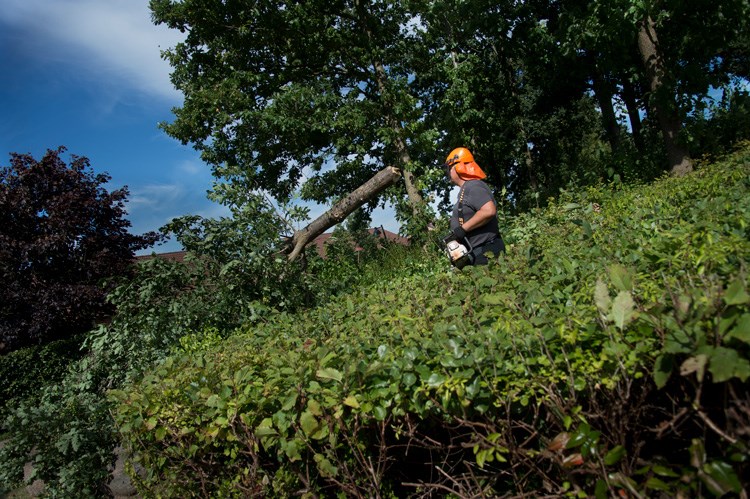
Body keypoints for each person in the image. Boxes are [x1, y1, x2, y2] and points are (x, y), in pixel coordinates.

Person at [443, 147, 505, 266]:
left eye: (450, 168)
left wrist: (462, 229)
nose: (448, 172)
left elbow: (488, 211)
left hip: (487, 251)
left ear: (458, 167)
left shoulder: (473, 186)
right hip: (479, 252)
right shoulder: (467, 189)